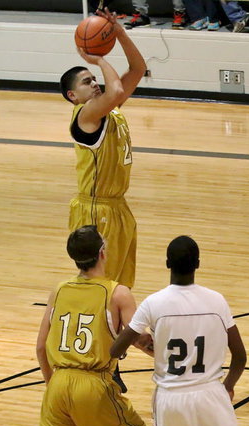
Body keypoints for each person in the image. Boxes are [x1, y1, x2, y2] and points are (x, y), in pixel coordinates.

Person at [110, 236, 247, 426]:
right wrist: (228, 386)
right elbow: (240, 356)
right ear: (198, 264)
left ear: (167, 263)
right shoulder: (217, 301)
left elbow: (115, 350)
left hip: (171, 399)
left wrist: (141, 340)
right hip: (211, 396)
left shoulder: (153, 303)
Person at [30, 225, 154, 426]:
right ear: (103, 254)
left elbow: (41, 347)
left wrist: (52, 385)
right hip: (92, 384)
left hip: (58, 383)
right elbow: (140, 340)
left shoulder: (60, 289)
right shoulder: (118, 293)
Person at [60, 8, 145, 290]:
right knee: (102, 286)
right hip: (96, 210)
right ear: (73, 96)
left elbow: (137, 70)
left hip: (118, 206)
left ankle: (119, 332)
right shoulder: (85, 116)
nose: (95, 82)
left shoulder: (110, 111)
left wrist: (119, 33)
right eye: (87, 81)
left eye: (95, 77)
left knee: (121, 285)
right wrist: (98, 58)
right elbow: (117, 90)